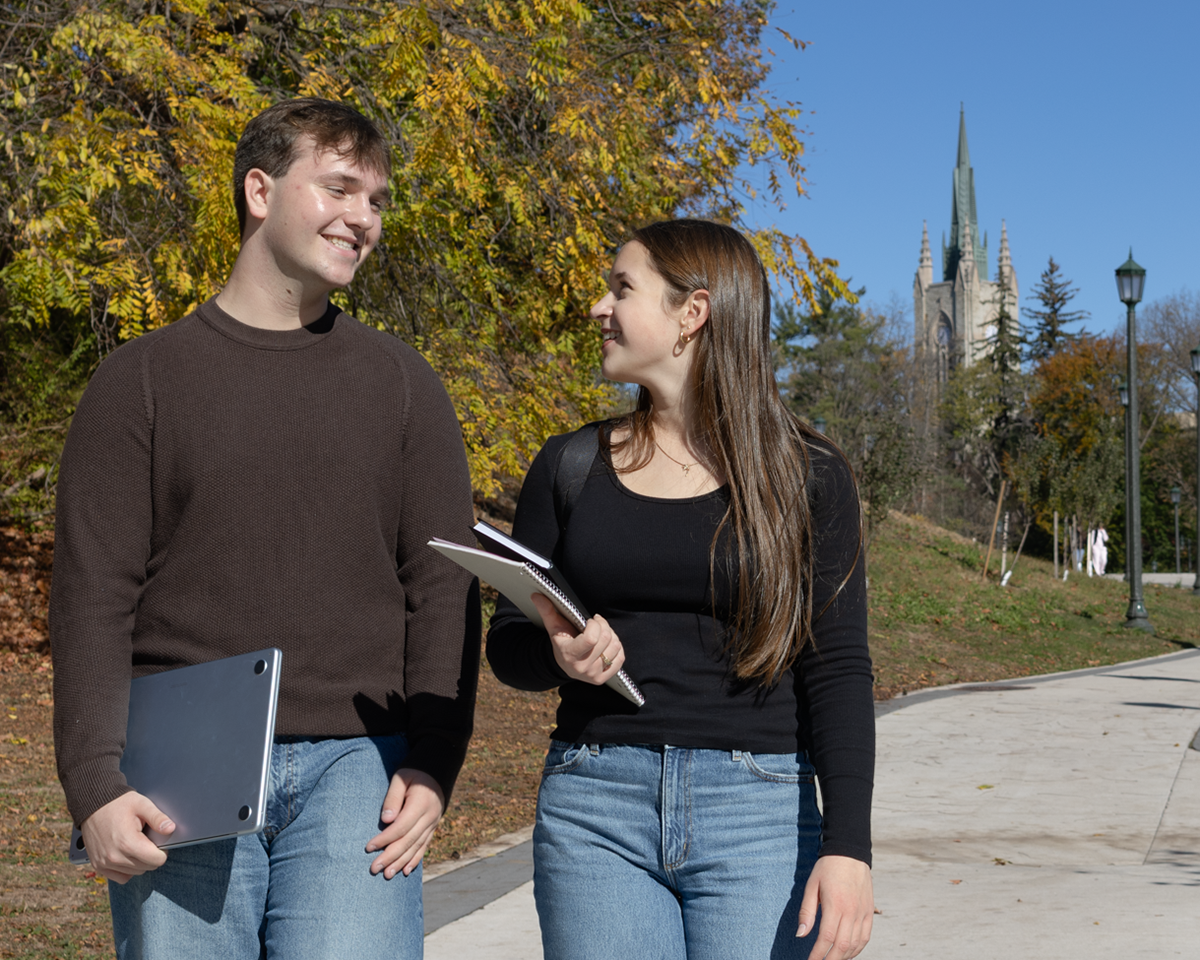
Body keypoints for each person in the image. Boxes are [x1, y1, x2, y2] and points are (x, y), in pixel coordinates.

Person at [50, 98, 480, 959]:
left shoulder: (403, 386)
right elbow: (94, 597)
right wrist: (95, 782)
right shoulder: (140, 382)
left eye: (378, 200)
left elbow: (444, 586)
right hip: (180, 771)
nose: (363, 217)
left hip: (360, 770)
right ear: (259, 189)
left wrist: (434, 763)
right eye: (340, 188)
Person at [487, 219, 875, 960]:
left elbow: (839, 667)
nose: (600, 307)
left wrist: (848, 846)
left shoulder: (811, 476)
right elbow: (508, 642)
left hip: (760, 812)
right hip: (594, 806)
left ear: (691, 313)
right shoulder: (568, 465)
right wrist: (558, 656)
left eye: (622, 288)